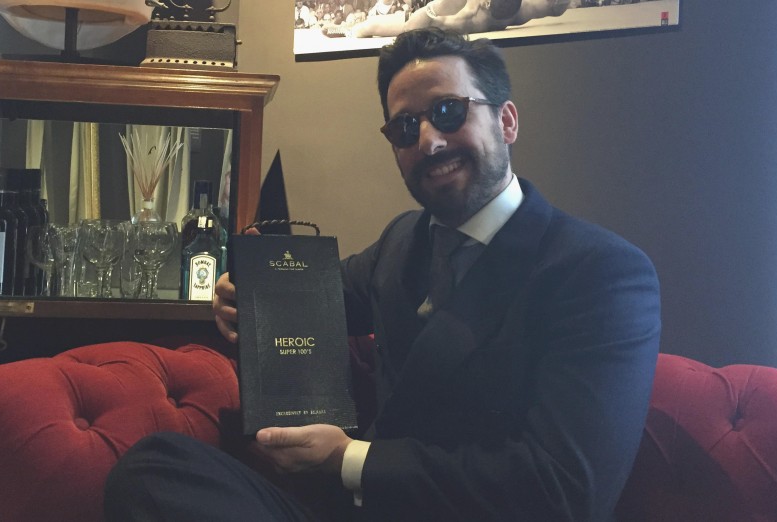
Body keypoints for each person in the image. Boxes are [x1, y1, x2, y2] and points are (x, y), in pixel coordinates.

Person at [104, 27, 660, 521]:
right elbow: (309, 296)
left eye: (449, 112)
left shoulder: (600, 272)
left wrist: (350, 459)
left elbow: (564, 491)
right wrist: (245, 294)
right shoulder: (402, 240)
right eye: (405, 127)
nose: (429, 141)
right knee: (156, 467)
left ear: (506, 120)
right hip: (356, 510)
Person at [348, 0, 569, 38]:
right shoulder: (521, 10)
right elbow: (556, 6)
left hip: (421, 17)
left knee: (369, 26)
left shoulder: (468, 19)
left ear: (486, 3)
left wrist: (437, 7)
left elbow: (412, 27)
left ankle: (352, 30)